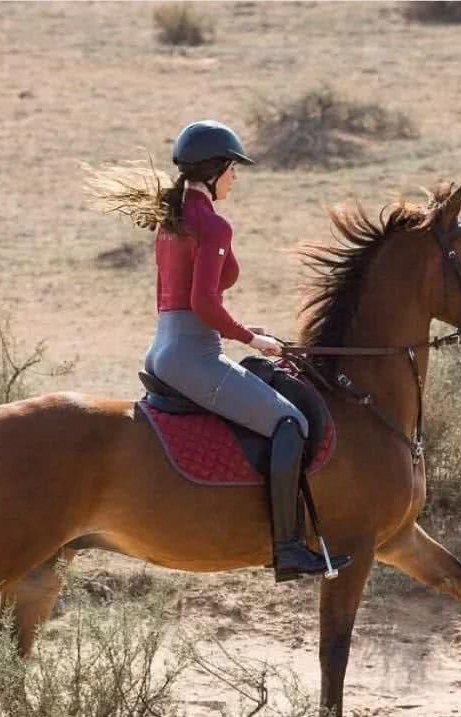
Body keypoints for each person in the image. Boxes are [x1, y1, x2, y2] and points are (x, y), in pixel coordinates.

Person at [136, 120, 351, 583]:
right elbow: (203, 303)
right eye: (234, 169)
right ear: (217, 171)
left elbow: (176, 302)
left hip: (166, 347)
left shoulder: (169, 221)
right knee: (288, 421)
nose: (236, 178)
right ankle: (290, 547)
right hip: (192, 356)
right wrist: (249, 340)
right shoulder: (211, 224)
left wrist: (237, 329)